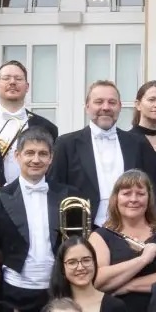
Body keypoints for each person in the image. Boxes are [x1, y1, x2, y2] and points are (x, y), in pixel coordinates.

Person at [0, 126, 65, 312]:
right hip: (13, 290)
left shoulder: (68, 195)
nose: (36, 160)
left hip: (56, 290)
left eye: (42, 154)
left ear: (51, 158)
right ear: (17, 156)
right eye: (29, 153)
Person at [92, 172, 156, 312]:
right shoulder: (100, 236)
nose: (133, 199)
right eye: (126, 193)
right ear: (116, 198)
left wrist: (128, 286)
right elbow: (98, 280)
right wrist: (143, 260)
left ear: (149, 198)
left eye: (140, 193)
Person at [51, 78, 135, 212]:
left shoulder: (137, 143)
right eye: (99, 102)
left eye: (112, 102)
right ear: (87, 107)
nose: (106, 107)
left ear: (120, 106)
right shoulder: (65, 144)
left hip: (129, 226)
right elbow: (54, 190)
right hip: (82, 227)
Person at [0, 58, 56, 184]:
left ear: (27, 87)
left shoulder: (47, 127)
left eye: (18, 79)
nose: (12, 82)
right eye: (6, 78)